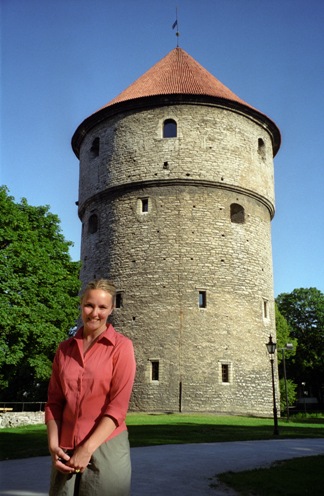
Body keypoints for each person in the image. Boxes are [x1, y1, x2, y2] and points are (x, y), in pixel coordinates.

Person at [45, 279, 136, 496]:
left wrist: (86, 450)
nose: (95, 313)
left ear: (112, 309)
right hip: (65, 448)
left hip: (106, 446)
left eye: (102, 307)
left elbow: (118, 407)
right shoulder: (64, 349)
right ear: (81, 304)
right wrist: (53, 445)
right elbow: (54, 402)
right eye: (89, 305)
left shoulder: (121, 348)